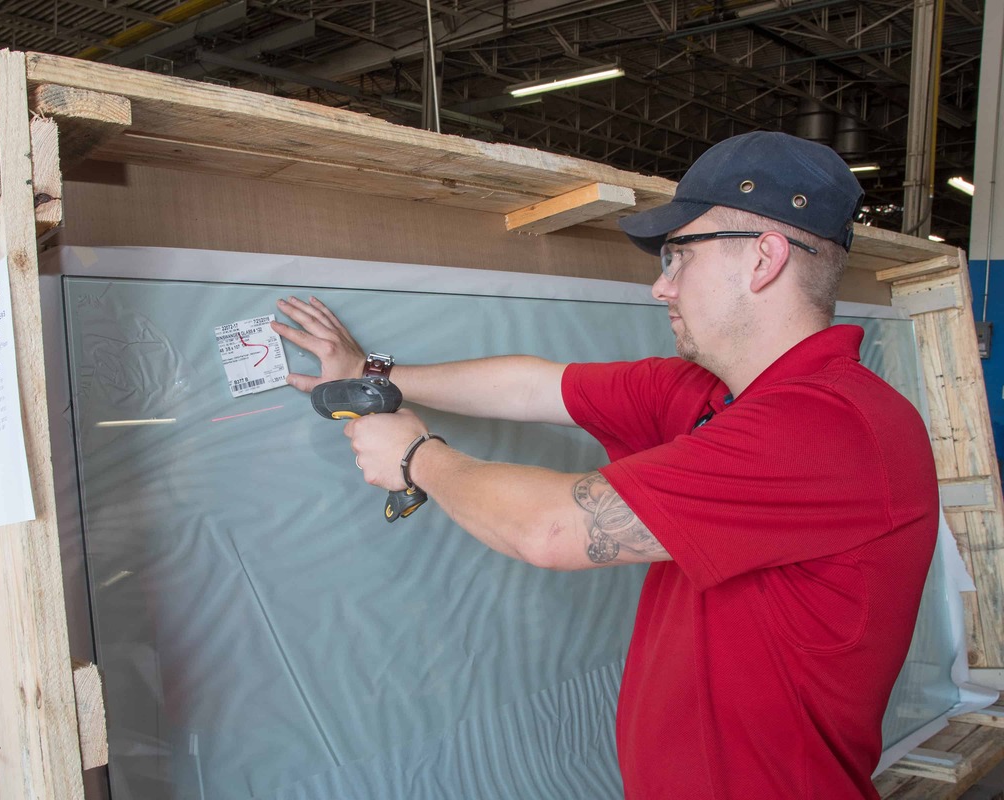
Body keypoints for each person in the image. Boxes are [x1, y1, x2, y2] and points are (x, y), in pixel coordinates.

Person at [269, 131, 939, 799]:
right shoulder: (711, 394)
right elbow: (532, 385)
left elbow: (553, 530)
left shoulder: (828, 428)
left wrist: (415, 457)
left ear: (763, 260)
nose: (660, 287)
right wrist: (370, 373)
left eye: (678, 258)